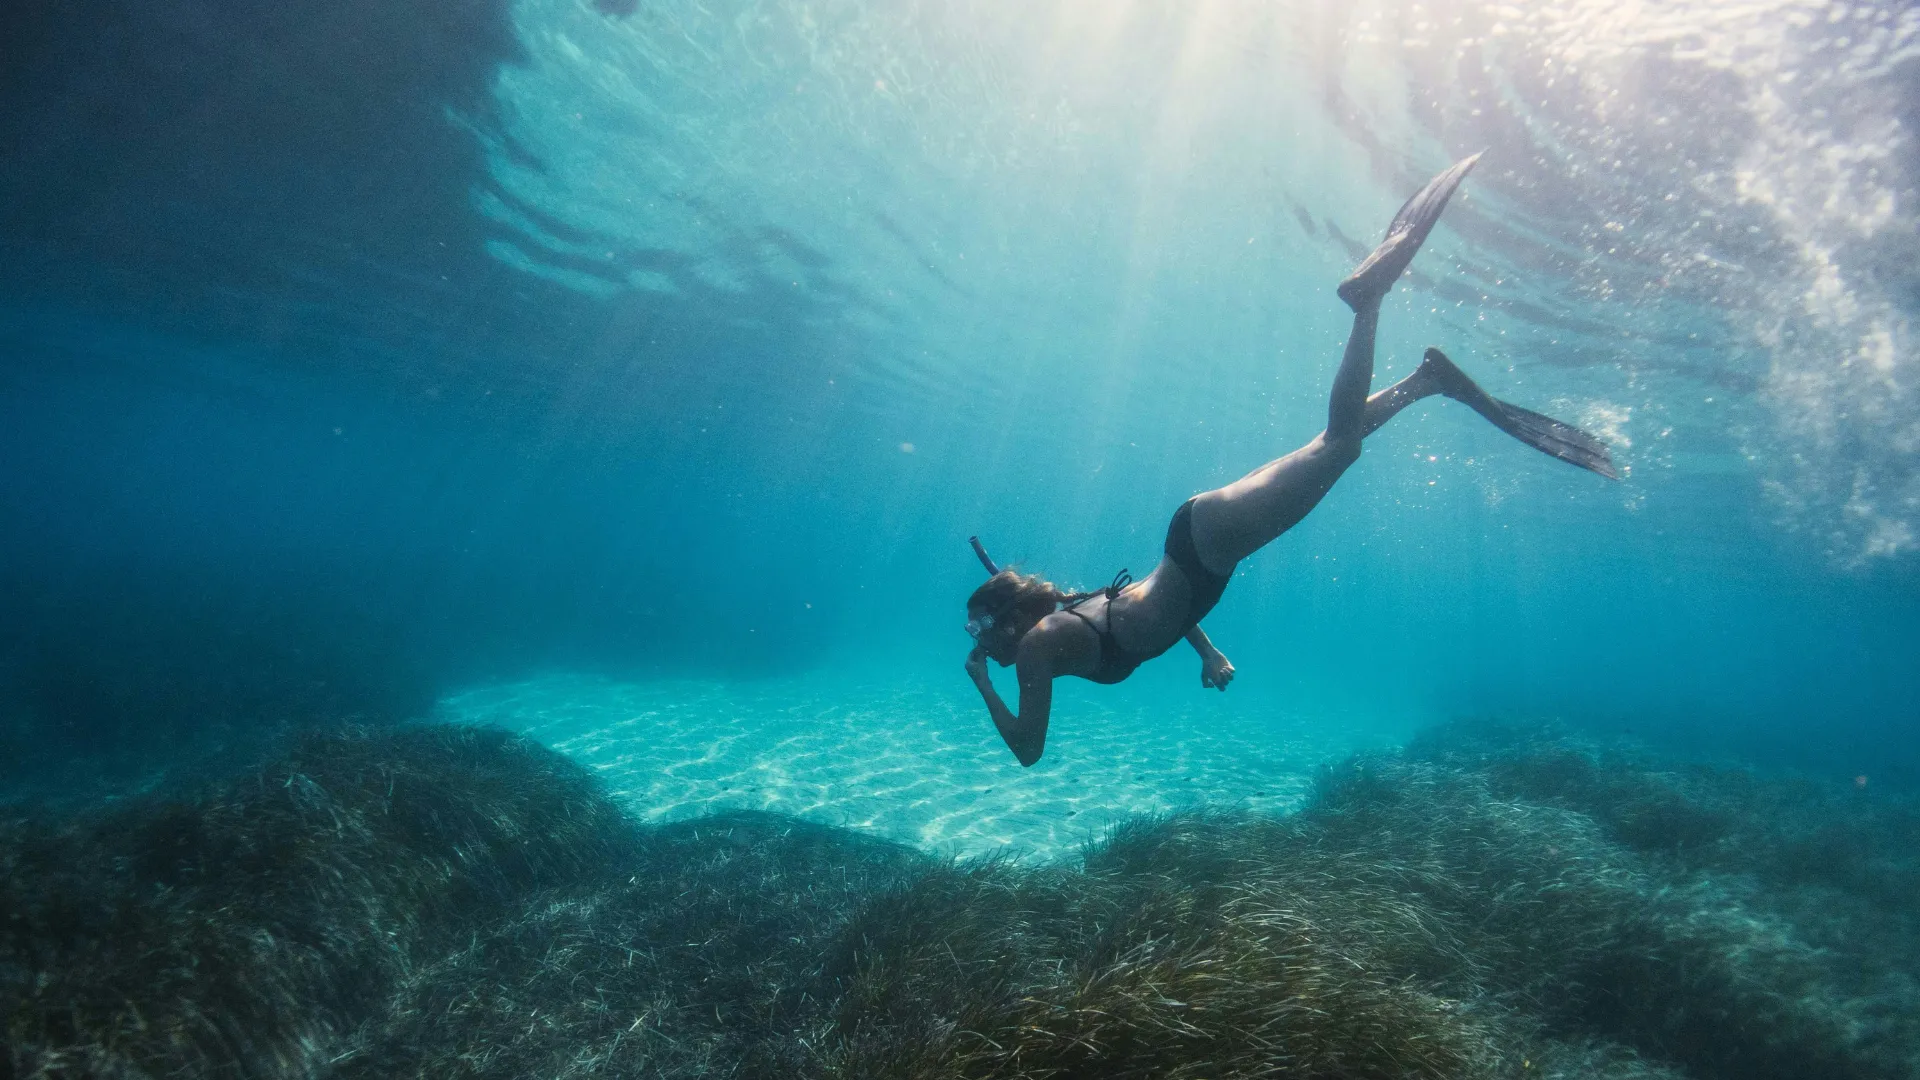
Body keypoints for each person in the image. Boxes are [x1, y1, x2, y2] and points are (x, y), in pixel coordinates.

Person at [963, 153, 1617, 767]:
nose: (978, 641)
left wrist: (983, 683)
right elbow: (1144, 612)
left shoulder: (1038, 647)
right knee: (1328, 446)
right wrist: (1211, 652)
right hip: (1198, 537)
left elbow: (1028, 749)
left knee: (1339, 447)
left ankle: (1368, 303)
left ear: (1005, 620)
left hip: (1205, 550)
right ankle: (1426, 381)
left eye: (979, 628)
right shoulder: (1060, 615)